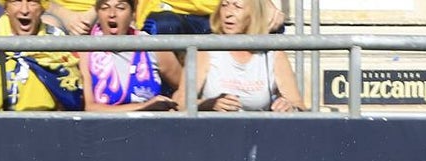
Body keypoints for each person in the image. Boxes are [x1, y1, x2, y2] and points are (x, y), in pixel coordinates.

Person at [0, 0, 82, 112]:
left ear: (43, 7)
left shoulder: (58, 46)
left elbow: (73, 102)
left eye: (32, 2)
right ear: (6, 7)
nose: (24, 10)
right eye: (16, 1)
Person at [177, 0, 303, 112]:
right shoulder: (205, 49)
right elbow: (180, 102)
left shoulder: (273, 53)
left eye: (237, 6)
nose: (228, 13)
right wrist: (207, 105)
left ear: (254, 13)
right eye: (224, 5)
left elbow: (299, 106)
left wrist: (289, 108)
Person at [79, 0, 180, 112]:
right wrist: (145, 107)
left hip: (152, 121)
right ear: (98, 13)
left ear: (133, 14)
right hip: (105, 122)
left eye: (120, 8)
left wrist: (173, 108)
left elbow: (185, 88)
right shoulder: (87, 50)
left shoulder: (152, 46)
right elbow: (91, 107)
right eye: (104, 8)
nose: (112, 14)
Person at [135, 0, 282, 36]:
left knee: (273, 25)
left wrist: (268, 7)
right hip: (169, 15)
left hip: (218, 14)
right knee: (164, 25)